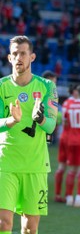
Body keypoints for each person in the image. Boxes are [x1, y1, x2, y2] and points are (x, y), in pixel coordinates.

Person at [0, 35, 58, 233]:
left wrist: (40, 118)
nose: (19, 58)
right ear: (9, 58)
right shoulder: (1, 86)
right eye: (15, 54)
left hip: (35, 166)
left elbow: (50, 127)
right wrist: (11, 120)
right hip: (5, 163)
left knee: (30, 227)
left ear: (32, 57)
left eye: (23, 53)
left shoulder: (47, 86)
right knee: (3, 223)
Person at [54, 84, 78, 202]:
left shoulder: (66, 104)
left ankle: (58, 194)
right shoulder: (77, 104)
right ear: (74, 92)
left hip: (63, 136)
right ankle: (69, 196)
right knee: (72, 168)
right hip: (72, 138)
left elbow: (63, 120)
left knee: (61, 167)